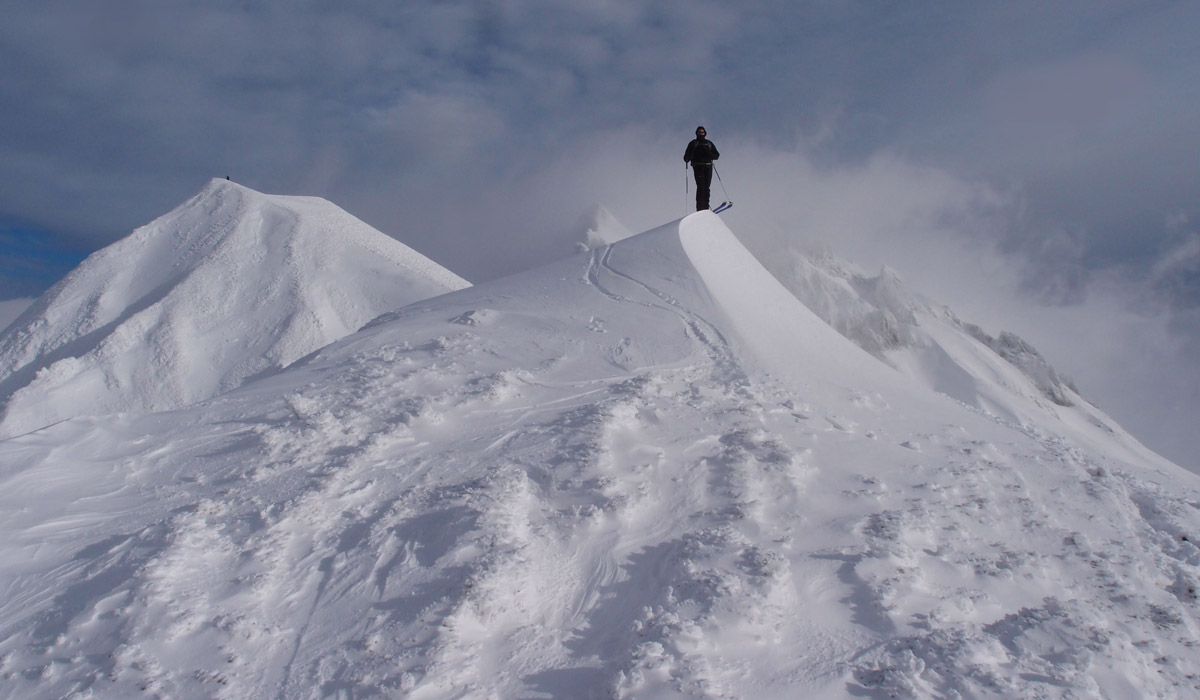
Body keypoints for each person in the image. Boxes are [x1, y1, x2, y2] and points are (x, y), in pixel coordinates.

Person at [683, 126, 719, 211]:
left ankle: (705, 207)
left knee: (706, 187)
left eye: (702, 132)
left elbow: (717, 155)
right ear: (696, 133)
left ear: (705, 133)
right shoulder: (693, 144)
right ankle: (700, 208)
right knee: (701, 187)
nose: (701, 134)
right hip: (698, 167)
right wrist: (687, 158)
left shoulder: (709, 144)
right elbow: (686, 156)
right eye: (699, 132)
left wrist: (708, 154)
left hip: (708, 166)